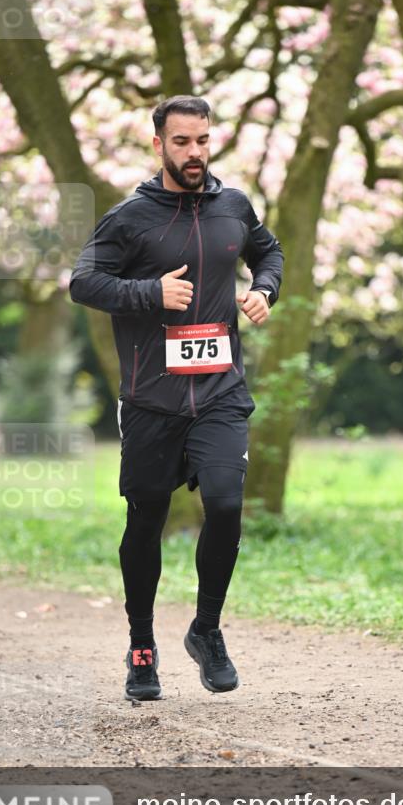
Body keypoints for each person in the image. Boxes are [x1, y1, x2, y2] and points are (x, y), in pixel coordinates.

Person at [69, 95, 283, 700]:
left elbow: (268, 251)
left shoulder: (234, 206)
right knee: (146, 523)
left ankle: (206, 631)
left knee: (226, 502)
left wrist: (264, 288)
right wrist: (148, 294)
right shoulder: (130, 218)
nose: (195, 153)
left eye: (204, 141)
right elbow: (83, 282)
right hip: (150, 400)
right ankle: (142, 644)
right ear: (158, 143)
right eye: (183, 141)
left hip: (219, 391)